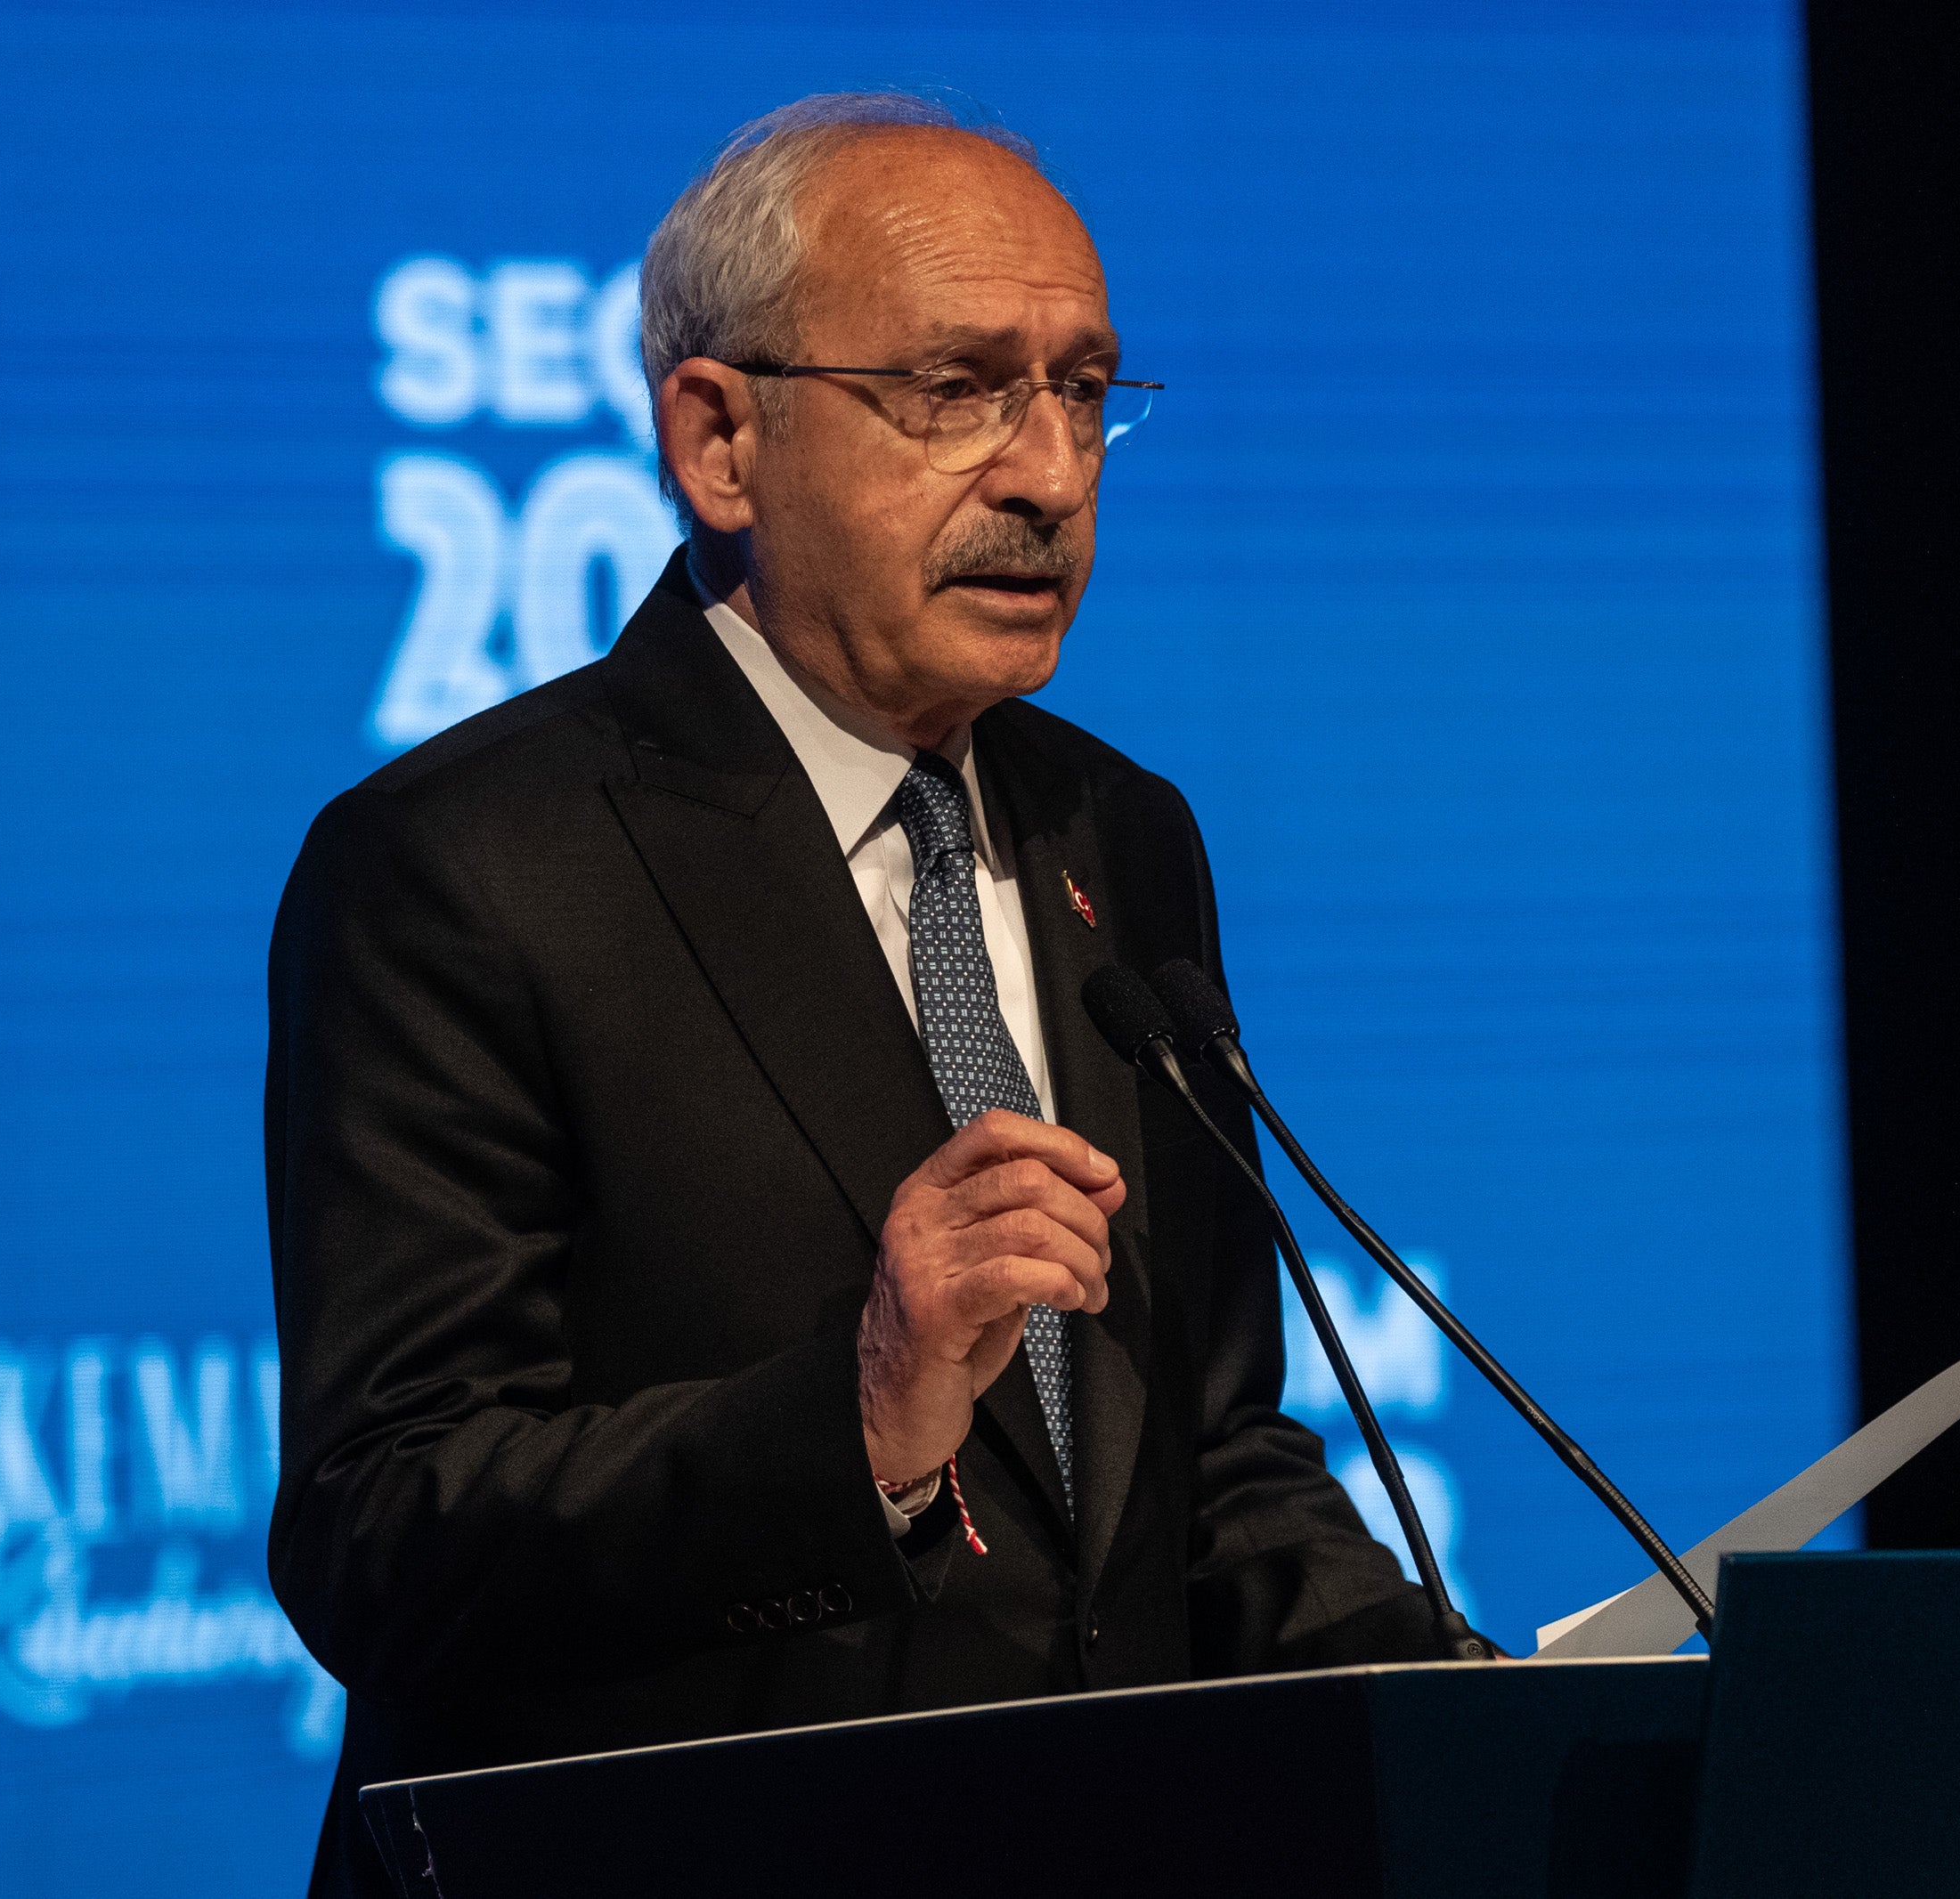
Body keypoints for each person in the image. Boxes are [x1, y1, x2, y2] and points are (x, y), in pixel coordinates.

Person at [265, 92, 1438, 1895]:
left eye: (1081, 389)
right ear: (720, 439)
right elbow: (387, 1534)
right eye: (958, 390)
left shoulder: (1118, 829)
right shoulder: (467, 865)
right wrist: (864, 1411)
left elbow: (1200, 1451)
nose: (1049, 470)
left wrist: (1457, 1708)